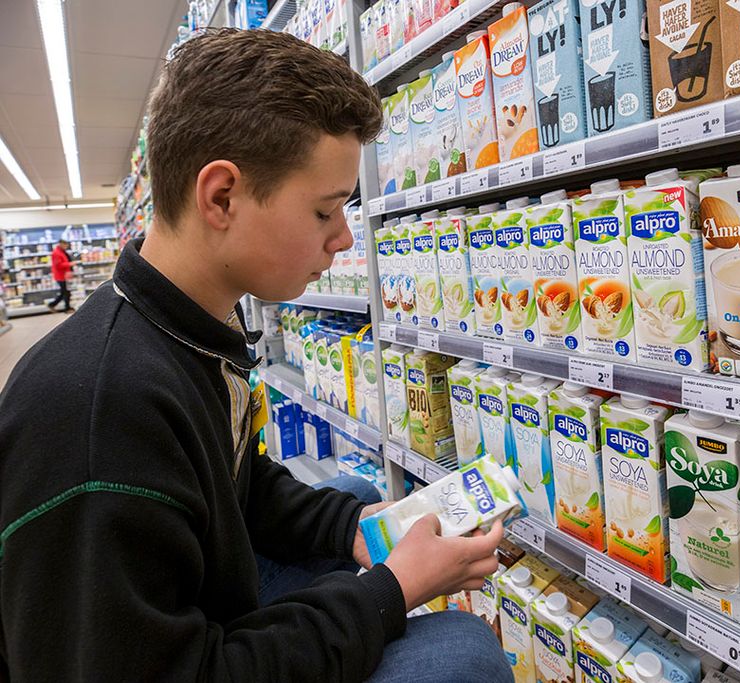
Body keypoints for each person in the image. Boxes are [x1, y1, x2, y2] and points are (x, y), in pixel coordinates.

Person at [0, 29, 511, 682]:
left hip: (175, 603)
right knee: (460, 652)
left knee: (352, 495)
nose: (345, 237)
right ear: (221, 197)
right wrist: (388, 591)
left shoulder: (187, 325)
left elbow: (235, 477)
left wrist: (355, 526)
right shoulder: (103, 416)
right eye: (326, 211)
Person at [46, 238, 75, 312]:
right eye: (65, 245)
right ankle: (65, 307)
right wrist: (70, 264)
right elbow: (58, 265)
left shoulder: (62, 252)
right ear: (61, 244)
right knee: (65, 292)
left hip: (65, 275)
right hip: (61, 276)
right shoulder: (56, 253)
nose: (66, 246)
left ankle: (54, 305)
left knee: (64, 292)